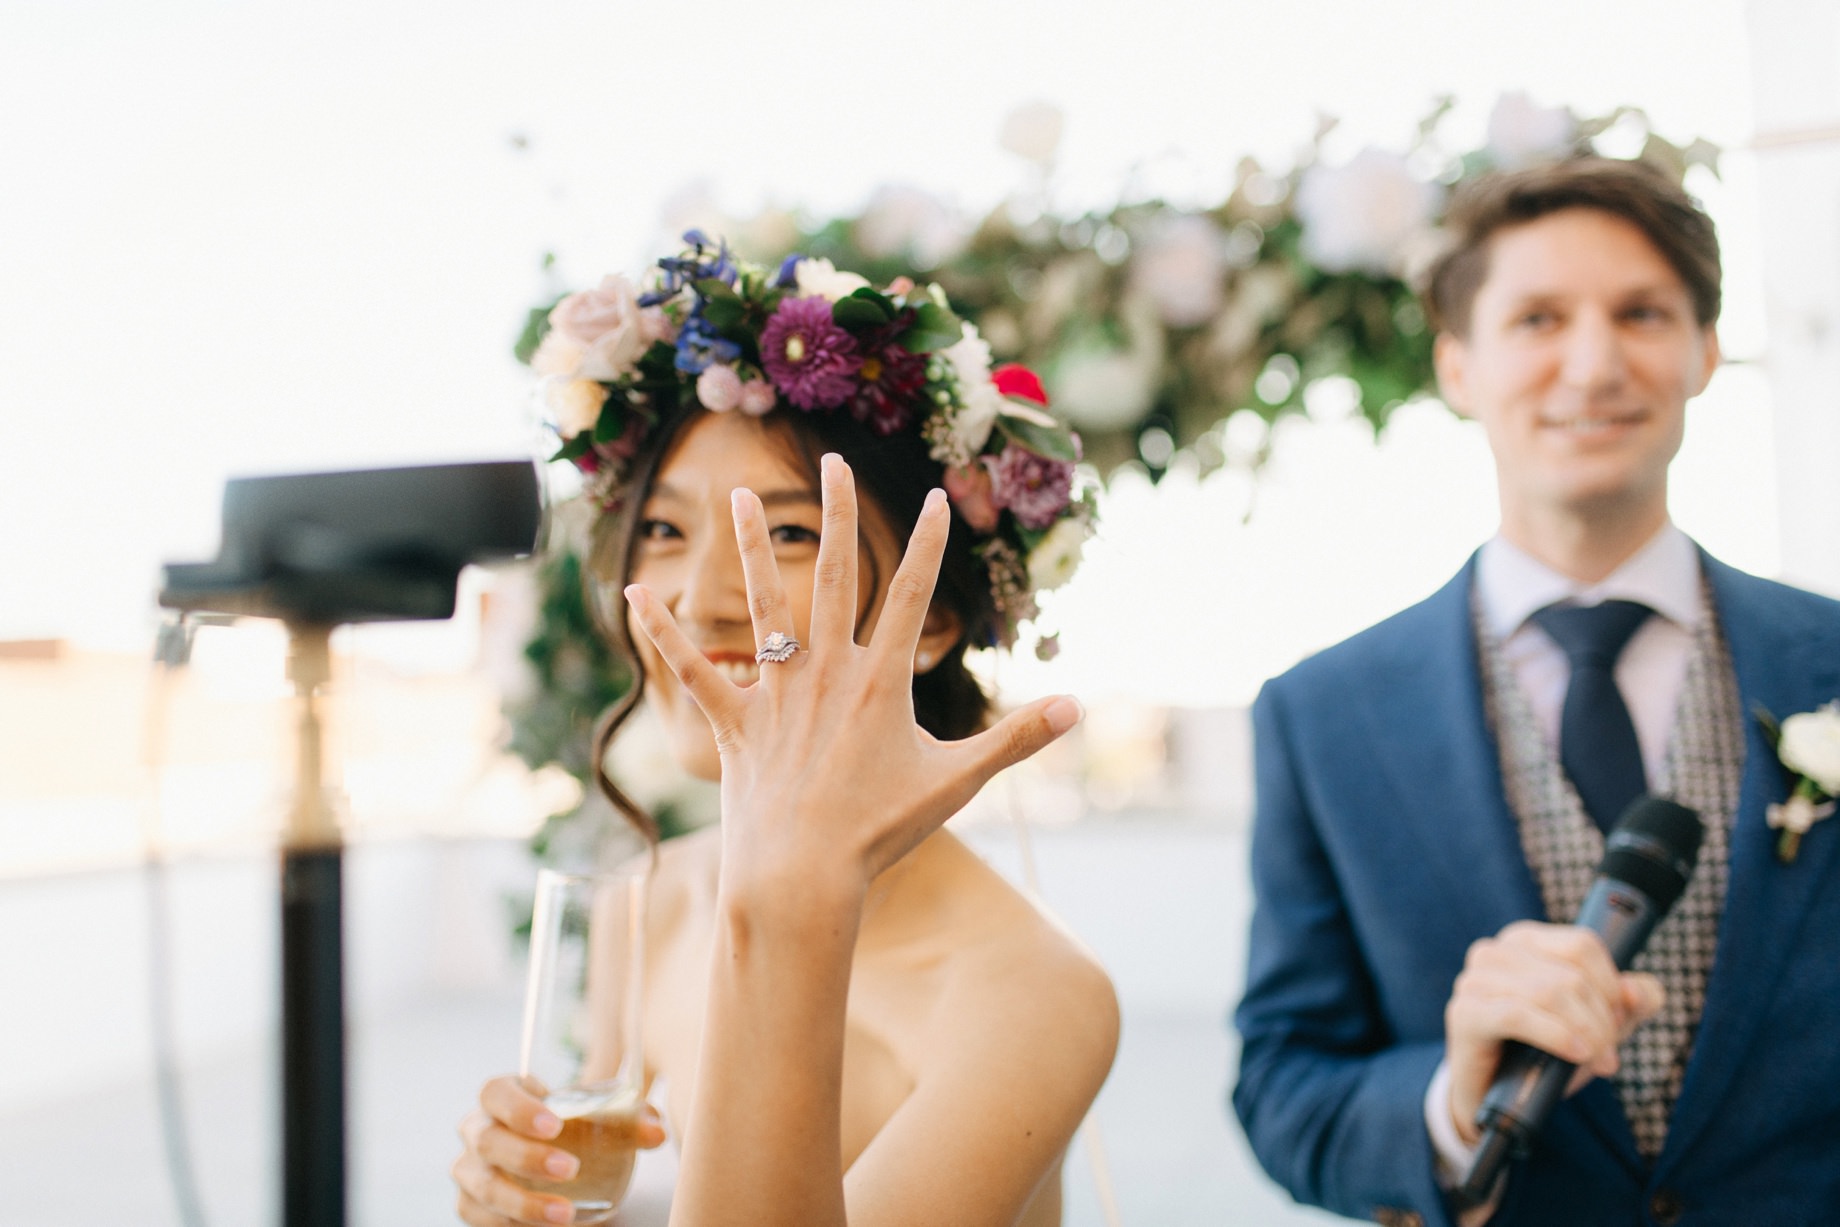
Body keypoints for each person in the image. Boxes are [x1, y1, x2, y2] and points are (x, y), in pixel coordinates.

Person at [453, 237, 1119, 1227]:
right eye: (667, 531)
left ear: (931, 620)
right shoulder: (659, 901)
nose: (702, 600)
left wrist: (790, 901)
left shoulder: (1031, 995)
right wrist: (524, 1200)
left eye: (791, 534)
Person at [1232, 157, 1840, 1226]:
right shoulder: (1322, 715)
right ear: (1458, 365)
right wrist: (1449, 1102)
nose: (1594, 363)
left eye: (1642, 314)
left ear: (1704, 352)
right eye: (1538, 319)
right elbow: (1285, 1086)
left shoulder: (1827, 658)